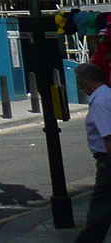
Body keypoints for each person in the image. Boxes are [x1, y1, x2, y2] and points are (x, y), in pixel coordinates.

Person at [76, 62, 111, 243]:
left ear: (88, 80)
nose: (80, 86)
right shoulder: (108, 95)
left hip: (107, 161)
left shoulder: (100, 102)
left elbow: (108, 136)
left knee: (100, 209)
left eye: (80, 81)